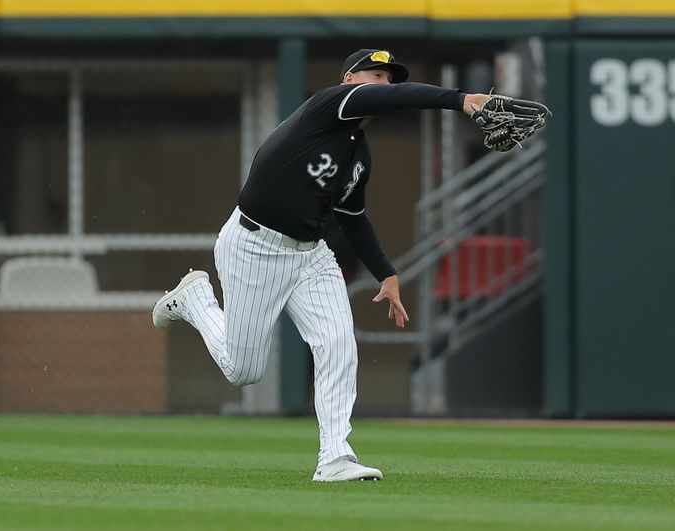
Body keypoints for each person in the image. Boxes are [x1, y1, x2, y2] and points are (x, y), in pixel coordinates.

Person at [152, 48, 494, 482]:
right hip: (254, 247)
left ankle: (334, 456)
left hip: (310, 255)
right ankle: (197, 299)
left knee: (337, 344)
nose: (384, 84)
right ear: (350, 79)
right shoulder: (333, 104)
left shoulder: (359, 157)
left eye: (390, 78)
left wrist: (386, 273)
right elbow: (399, 99)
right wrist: (461, 99)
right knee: (244, 372)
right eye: (375, 74)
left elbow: (353, 217)